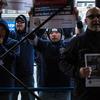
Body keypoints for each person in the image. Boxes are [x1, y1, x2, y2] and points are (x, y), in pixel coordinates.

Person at [59, 7, 100, 100]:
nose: (96, 19)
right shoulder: (77, 41)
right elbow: (62, 62)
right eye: (91, 17)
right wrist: (78, 72)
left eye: (98, 16)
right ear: (86, 21)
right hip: (84, 95)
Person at [28, 28, 72, 100]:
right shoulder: (44, 44)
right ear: (48, 35)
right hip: (46, 88)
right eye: (51, 33)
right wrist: (35, 23)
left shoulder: (67, 45)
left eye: (57, 32)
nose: (54, 34)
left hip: (64, 88)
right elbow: (31, 37)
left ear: (61, 35)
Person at [10, 15, 35, 100]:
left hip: (27, 75)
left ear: (26, 24)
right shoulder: (10, 35)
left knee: (28, 97)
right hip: (13, 74)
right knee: (12, 97)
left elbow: (39, 29)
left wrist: (32, 15)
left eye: (22, 22)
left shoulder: (30, 35)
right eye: (17, 22)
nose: (19, 24)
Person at [0, 19, 19, 100]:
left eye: (2, 30)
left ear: (6, 31)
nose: (0, 32)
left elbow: (12, 58)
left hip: (6, 83)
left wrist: (1, 45)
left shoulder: (14, 43)